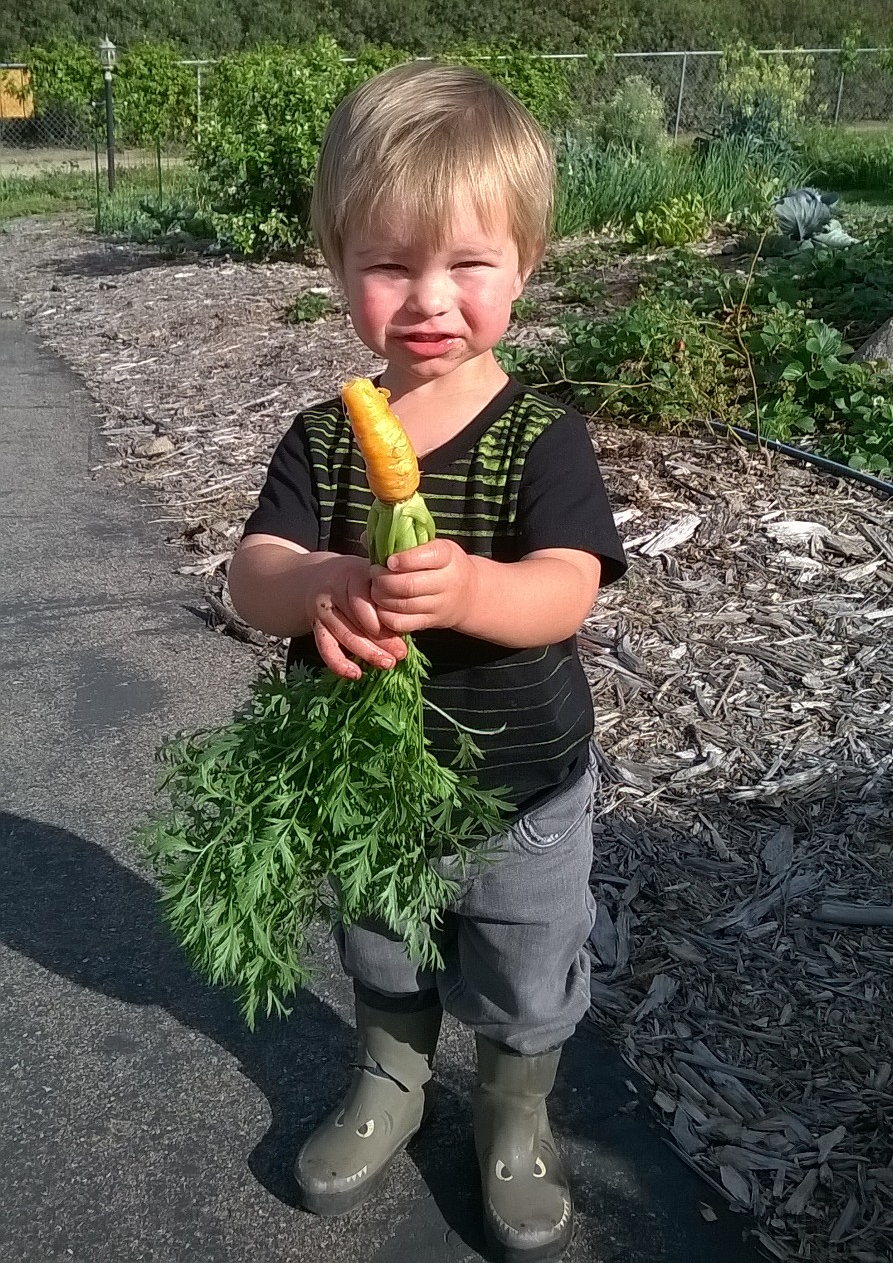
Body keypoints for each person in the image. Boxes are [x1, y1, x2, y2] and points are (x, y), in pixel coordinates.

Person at [228, 62, 626, 1261]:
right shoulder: (325, 436)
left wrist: (473, 589)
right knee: (382, 938)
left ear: (525, 264)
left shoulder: (539, 440)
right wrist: (320, 587)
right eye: (390, 265)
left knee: (522, 962)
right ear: (339, 267)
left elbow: (569, 585)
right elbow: (253, 574)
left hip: (522, 786)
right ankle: (391, 1080)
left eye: (467, 264)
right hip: (375, 783)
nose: (427, 300)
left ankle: (514, 1113)